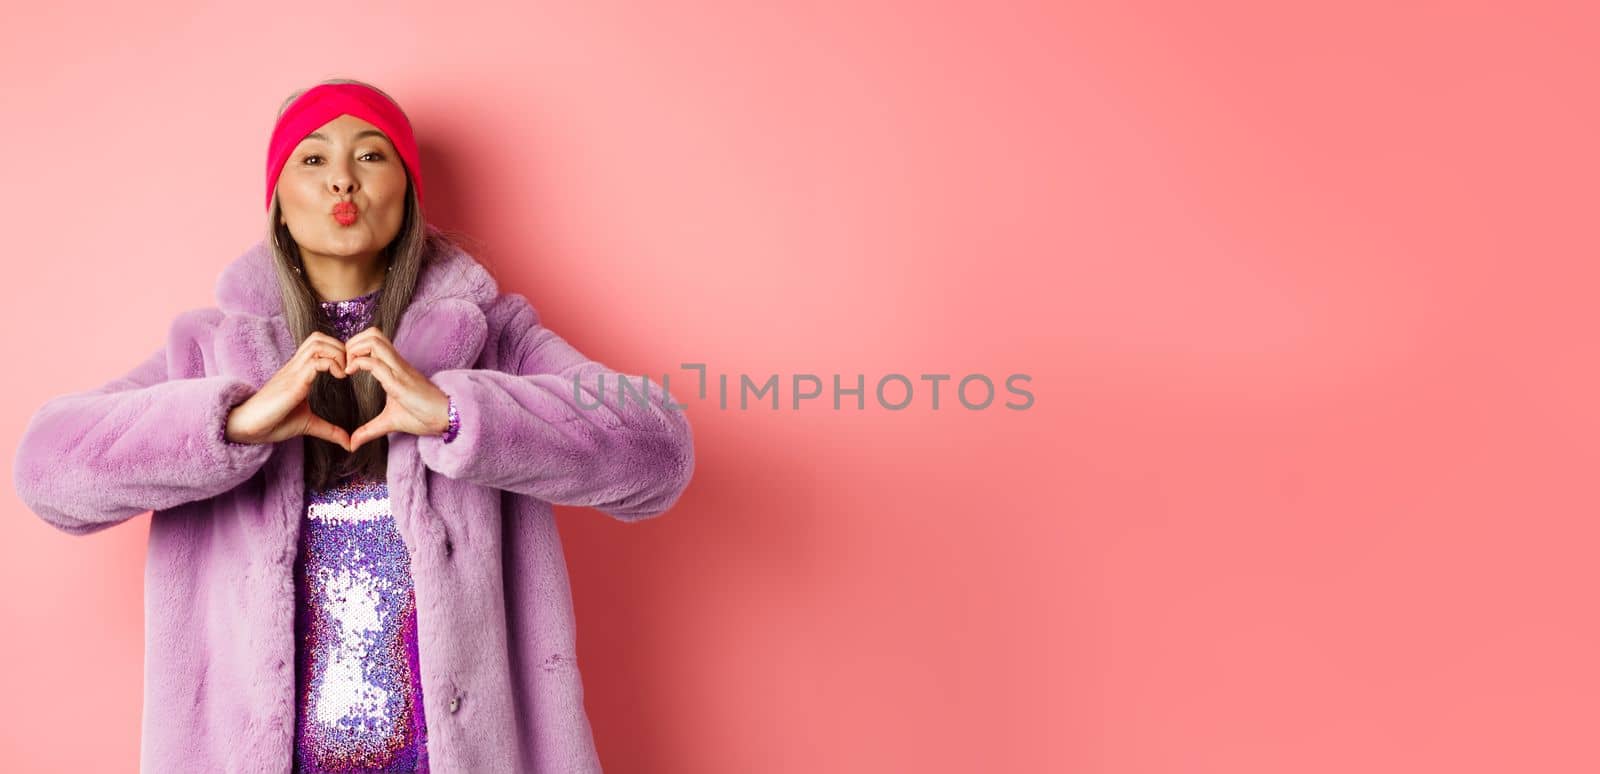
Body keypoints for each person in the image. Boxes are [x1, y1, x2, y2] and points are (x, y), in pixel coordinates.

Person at [12, 77, 695, 774]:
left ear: (409, 195)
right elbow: (46, 470)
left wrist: (457, 412)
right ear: (277, 203)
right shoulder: (209, 351)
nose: (342, 179)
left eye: (372, 156)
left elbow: (658, 450)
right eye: (312, 160)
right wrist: (234, 423)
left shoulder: (495, 338)